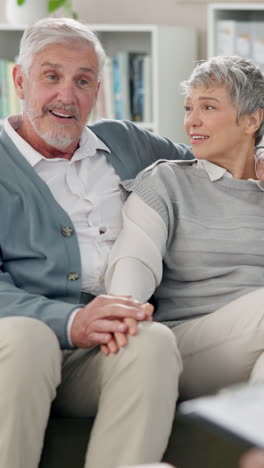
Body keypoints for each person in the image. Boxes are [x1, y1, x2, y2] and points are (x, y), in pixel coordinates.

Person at [0, 16, 194, 468]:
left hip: (99, 350)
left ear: (98, 89)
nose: (68, 96)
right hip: (21, 345)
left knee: (151, 342)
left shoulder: (126, 142)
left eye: (83, 80)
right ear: (20, 79)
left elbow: (211, 155)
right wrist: (71, 321)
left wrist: (258, 151)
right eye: (52, 76)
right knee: (28, 340)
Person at [106, 56, 264, 402]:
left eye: (207, 107)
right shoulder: (166, 181)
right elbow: (133, 264)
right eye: (189, 108)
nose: (192, 121)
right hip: (188, 346)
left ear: (252, 119)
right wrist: (124, 310)